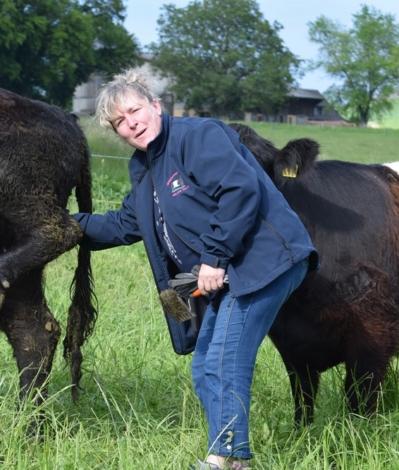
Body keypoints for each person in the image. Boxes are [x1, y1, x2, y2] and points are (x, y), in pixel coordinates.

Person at [72, 70, 317, 469]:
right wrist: (64, 225)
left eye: (134, 110)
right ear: (116, 132)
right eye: (120, 121)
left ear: (155, 106)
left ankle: (223, 459)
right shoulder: (143, 166)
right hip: (229, 272)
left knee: (223, 358)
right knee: (206, 363)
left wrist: (214, 258)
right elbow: (125, 225)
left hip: (264, 259)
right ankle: (231, 459)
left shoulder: (198, 135)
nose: (131, 122)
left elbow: (239, 189)